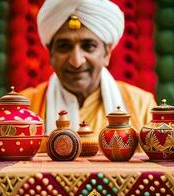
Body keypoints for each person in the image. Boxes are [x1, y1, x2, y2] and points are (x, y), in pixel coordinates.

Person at [21, 0, 157, 152]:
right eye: (64, 47)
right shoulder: (22, 111)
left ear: (107, 54)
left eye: (89, 46)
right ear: (50, 53)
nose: (76, 61)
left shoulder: (141, 106)